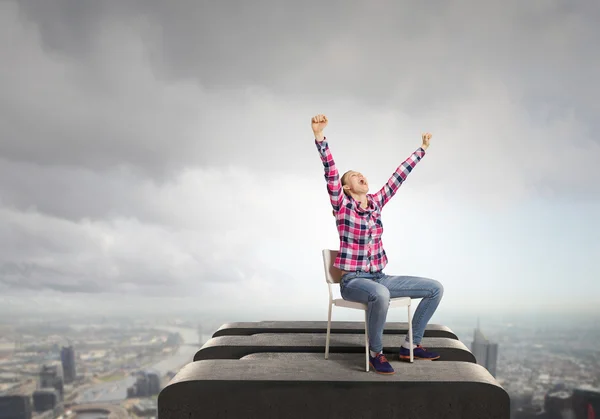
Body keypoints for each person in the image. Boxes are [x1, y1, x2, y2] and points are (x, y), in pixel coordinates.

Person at [312, 113, 444, 375]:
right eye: (354, 176)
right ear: (347, 188)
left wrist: (422, 150)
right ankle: (375, 353)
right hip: (354, 282)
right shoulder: (342, 205)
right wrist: (319, 137)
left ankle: (411, 344)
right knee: (380, 295)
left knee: (434, 289)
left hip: (380, 277)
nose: (360, 175)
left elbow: (398, 176)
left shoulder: (376, 203)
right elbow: (330, 171)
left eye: (361, 174)